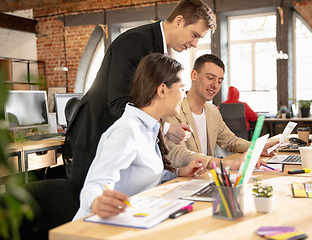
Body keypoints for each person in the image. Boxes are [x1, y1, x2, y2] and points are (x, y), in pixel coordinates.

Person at [66, 0, 216, 188]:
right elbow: (119, 103)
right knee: (89, 198)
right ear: (178, 21)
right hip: (97, 131)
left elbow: (146, 102)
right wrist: (166, 129)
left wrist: (166, 130)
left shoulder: (162, 48)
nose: (194, 44)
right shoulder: (135, 41)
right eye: (194, 35)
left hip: (122, 134)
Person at [73, 53, 207, 220]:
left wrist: (180, 172)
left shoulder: (149, 127)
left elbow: (145, 174)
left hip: (134, 216)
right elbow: (94, 185)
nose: (185, 95)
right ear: (163, 90)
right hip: (96, 226)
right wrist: (97, 201)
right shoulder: (127, 131)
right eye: (182, 88)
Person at [164, 54, 278, 170]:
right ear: (194, 75)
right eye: (210, 78)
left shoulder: (212, 110)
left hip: (206, 177)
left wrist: (258, 148)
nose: (215, 85)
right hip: (181, 180)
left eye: (219, 81)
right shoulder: (173, 110)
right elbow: (179, 154)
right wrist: (227, 164)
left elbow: (231, 141)